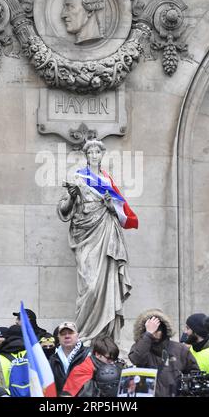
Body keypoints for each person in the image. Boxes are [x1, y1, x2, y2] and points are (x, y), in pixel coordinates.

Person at [58, 139, 138, 342]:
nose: (94, 156)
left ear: (102, 155)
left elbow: (120, 211)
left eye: (97, 152)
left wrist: (111, 206)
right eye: (90, 153)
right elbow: (64, 210)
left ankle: (105, 335)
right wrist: (72, 196)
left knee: (107, 282)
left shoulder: (108, 181)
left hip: (106, 232)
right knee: (89, 285)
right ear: (86, 156)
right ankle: (84, 333)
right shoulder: (78, 177)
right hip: (85, 234)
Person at [129, 309, 199, 397]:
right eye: (152, 330)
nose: (155, 332)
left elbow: (194, 375)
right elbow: (136, 359)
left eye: (158, 329)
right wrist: (148, 334)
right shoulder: (139, 347)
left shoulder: (180, 349)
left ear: (164, 330)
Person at [49, 322, 90, 396]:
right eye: (63, 334)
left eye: (70, 333)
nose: (67, 336)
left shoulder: (88, 355)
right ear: (58, 337)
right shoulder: (53, 359)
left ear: (77, 336)